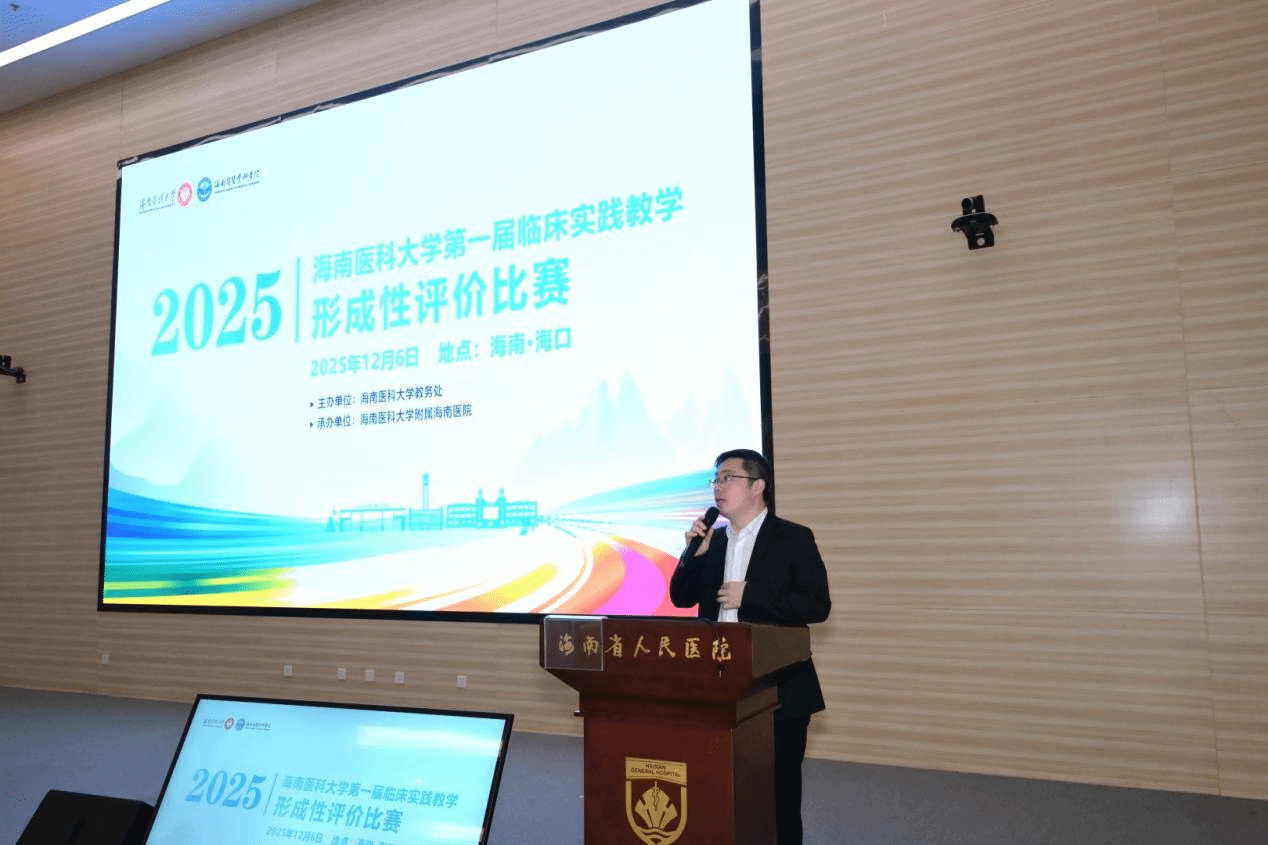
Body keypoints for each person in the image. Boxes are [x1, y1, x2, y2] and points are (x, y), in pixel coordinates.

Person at [669, 448, 830, 845]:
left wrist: (750, 595)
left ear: (758, 486)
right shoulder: (713, 542)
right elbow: (680, 597)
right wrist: (693, 554)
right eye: (716, 479)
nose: (718, 487)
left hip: (778, 690)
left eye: (728, 478)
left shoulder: (793, 538)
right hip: (718, 687)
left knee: (777, 796)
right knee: (718, 789)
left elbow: (816, 606)